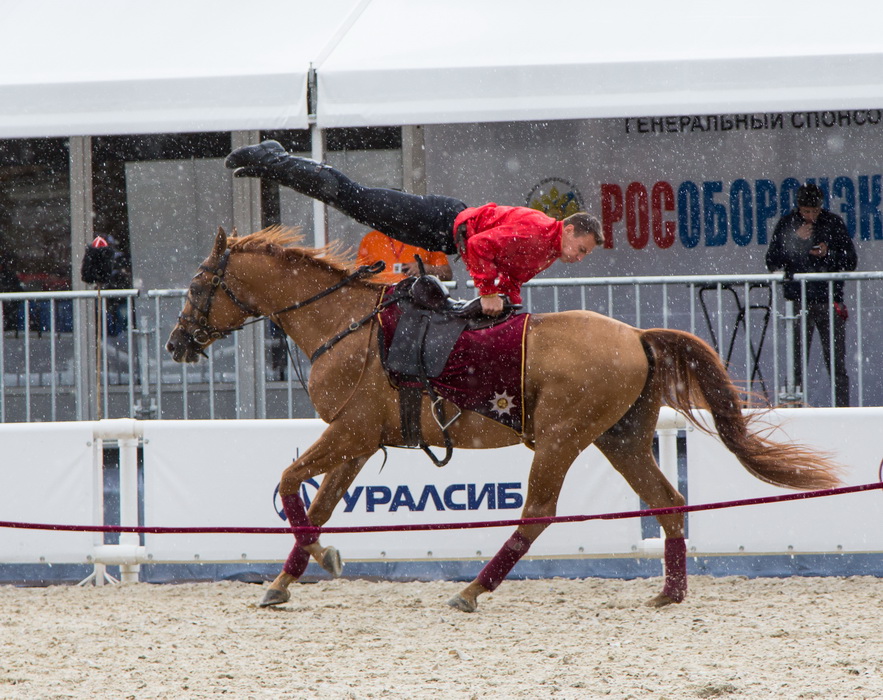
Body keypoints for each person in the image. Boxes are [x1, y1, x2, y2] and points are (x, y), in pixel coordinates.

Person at [225, 140, 602, 316]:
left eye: (585, 254)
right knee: (353, 197)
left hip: (439, 233)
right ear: (569, 229)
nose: (580, 257)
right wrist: (488, 292)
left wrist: (509, 305)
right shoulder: (539, 230)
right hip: (440, 220)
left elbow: (511, 278)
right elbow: (481, 247)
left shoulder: (548, 250)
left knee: (353, 201)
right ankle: (274, 159)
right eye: (581, 248)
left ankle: (274, 163)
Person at [766, 183, 857, 406]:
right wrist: (796, 241)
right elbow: (772, 262)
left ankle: (842, 412)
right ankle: (794, 412)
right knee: (795, 364)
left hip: (828, 299)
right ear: (799, 208)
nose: (810, 217)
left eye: (815, 212)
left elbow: (851, 261)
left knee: (837, 365)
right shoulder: (788, 224)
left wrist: (829, 252)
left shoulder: (833, 223)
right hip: (798, 302)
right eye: (806, 211)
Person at [357, 229, 452, 284]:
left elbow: (447, 274)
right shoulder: (370, 239)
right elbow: (358, 277)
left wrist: (425, 269)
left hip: (415, 300)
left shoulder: (426, 238)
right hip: (380, 301)